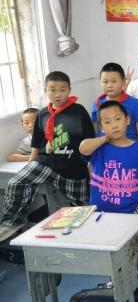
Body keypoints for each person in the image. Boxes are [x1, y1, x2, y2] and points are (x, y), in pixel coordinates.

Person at [79, 100, 138, 295]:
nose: (114, 125)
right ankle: (116, 276)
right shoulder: (98, 147)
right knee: (112, 244)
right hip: (104, 208)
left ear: (127, 120)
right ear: (101, 126)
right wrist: (104, 138)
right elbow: (83, 148)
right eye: (107, 122)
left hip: (135, 204)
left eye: (118, 119)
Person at [0, 72, 95, 242]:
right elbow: (37, 143)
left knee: (83, 210)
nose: (58, 94)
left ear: (69, 90)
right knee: (15, 183)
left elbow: (89, 141)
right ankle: (11, 225)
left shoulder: (78, 111)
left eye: (62, 90)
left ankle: (84, 241)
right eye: (52, 90)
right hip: (46, 163)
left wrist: (91, 170)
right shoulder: (43, 113)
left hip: (74, 169)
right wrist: (30, 165)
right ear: (45, 90)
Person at [92, 62, 138, 140]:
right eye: (105, 82)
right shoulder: (96, 104)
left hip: (130, 146)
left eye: (114, 81)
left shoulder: (135, 104)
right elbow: (95, 132)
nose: (109, 85)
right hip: (104, 146)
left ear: (123, 81)